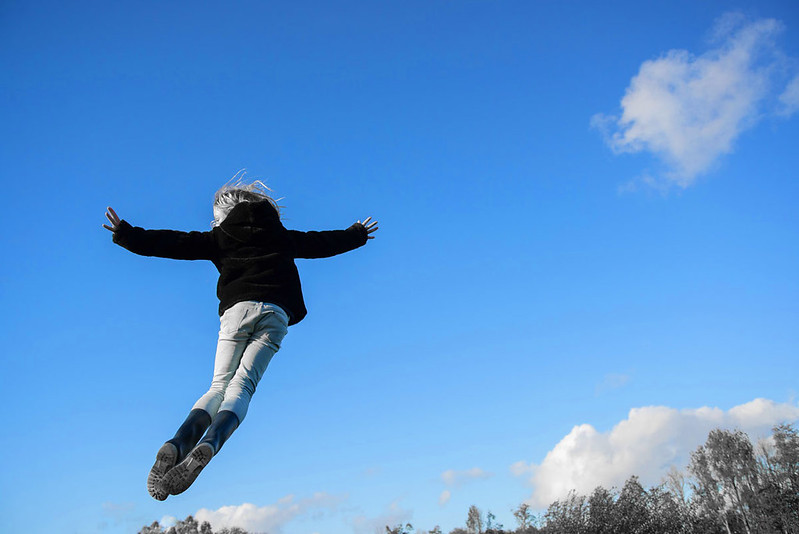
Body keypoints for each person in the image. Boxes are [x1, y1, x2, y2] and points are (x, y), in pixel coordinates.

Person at [103, 179, 378, 500]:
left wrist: (125, 233)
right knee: (242, 387)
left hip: (237, 311)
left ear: (224, 212)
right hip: (276, 312)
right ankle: (209, 445)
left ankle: (177, 444)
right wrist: (357, 234)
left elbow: (173, 244)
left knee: (218, 386)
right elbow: (321, 243)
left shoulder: (220, 236)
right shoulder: (281, 236)